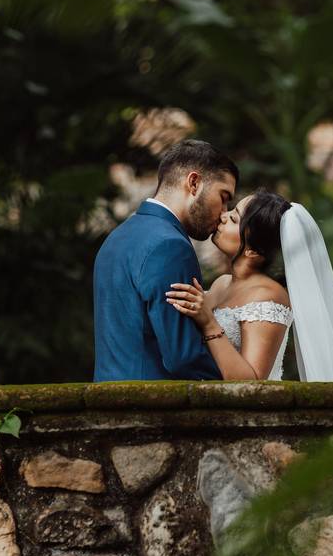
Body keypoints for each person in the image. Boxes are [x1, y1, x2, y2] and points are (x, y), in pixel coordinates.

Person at [166, 189, 333, 382]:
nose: (223, 216)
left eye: (233, 218)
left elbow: (253, 381)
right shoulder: (222, 284)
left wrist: (210, 323)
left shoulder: (268, 296)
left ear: (253, 251)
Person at [93, 139, 238, 381]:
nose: (224, 212)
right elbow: (182, 357)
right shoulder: (170, 246)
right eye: (223, 197)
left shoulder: (117, 237)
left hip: (108, 402)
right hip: (152, 408)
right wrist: (238, 384)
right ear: (194, 183)